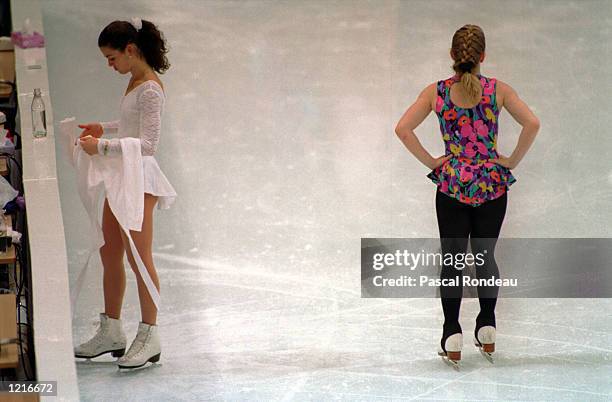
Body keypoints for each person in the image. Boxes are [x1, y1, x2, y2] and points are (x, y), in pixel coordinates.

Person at [394, 24, 540, 368]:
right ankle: (487, 325)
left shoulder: (436, 92)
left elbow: (402, 129)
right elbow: (531, 123)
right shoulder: (498, 91)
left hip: (453, 185)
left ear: (452, 56)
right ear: (482, 57)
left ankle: (451, 331)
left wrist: (433, 161)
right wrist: (510, 161)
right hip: (492, 183)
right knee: (485, 256)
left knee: (454, 261)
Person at [73, 17, 177, 370]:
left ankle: (150, 334)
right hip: (122, 176)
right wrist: (106, 128)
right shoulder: (134, 80)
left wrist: (101, 146)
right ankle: (112, 330)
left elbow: (147, 144)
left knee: (139, 257)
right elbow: (132, 126)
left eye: (112, 57)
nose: (109, 64)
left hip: (139, 179)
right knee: (110, 250)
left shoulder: (150, 88)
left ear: (130, 50)